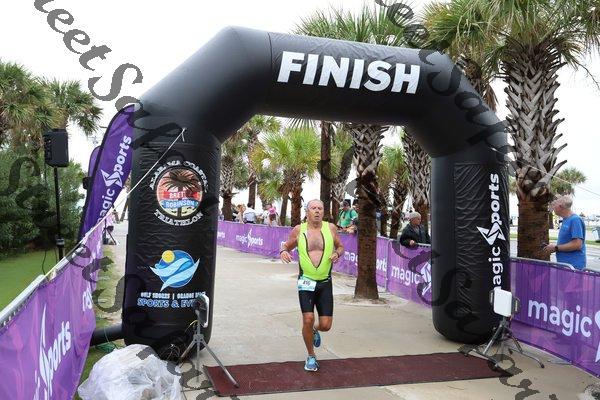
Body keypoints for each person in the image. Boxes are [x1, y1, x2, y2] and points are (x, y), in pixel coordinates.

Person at [280, 199, 344, 372]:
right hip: (306, 282)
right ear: (307, 212)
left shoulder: (331, 228)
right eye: (313, 208)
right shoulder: (299, 230)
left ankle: (314, 330)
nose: (317, 211)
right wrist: (283, 251)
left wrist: (337, 253)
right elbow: (287, 245)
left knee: (326, 325)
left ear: (323, 212)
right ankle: (311, 356)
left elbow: (340, 246)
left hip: (325, 283)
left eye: (320, 208)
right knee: (308, 319)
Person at [543, 195, 586, 270]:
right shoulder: (566, 220)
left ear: (560, 207)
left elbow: (577, 244)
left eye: (554, 205)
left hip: (573, 267)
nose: (553, 208)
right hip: (565, 265)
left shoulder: (575, 220)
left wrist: (555, 248)